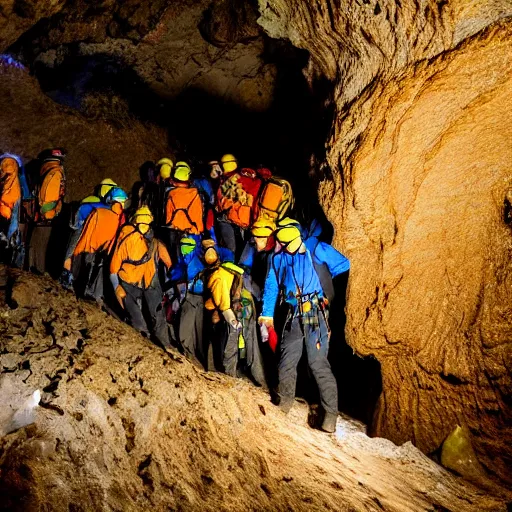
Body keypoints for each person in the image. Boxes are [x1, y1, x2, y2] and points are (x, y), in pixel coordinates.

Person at [259, 225, 338, 432]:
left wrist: (330, 293)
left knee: (317, 363)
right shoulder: (278, 259)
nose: (295, 249)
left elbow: (342, 265)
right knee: (287, 360)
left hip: (314, 314)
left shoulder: (312, 253)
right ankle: (284, 404)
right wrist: (267, 315)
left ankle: (330, 415)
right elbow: (271, 286)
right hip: (294, 315)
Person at [110, 206, 172, 350]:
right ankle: (163, 345)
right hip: (144, 281)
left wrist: (116, 286)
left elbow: (113, 268)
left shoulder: (125, 238)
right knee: (155, 315)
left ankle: (145, 340)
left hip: (133, 280)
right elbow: (169, 264)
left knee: (138, 316)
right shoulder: (153, 242)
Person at [169, 237, 233, 368]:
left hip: (202, 301)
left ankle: (199, 362)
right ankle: (190, 358)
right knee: (186, 331)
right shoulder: (193, 259)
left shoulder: (213, 263)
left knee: (199, 334)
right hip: (191, 297)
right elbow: (176, 273)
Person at [205, 250, 265, 385]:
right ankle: (259, 378)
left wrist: (232, 321)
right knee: (251, 344)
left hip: (237, 309)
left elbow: (225, 306)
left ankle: (230, 375)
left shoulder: (217, 278)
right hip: (248, 306)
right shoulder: (230, 268)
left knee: (231, 343)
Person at [62, 187, 128, 300]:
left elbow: (75, 226)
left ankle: (70, 281)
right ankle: (90, 291)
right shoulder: (118, 217)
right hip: (100, 247)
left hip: (89, 242)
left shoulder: (94, 209)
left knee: (75, 257)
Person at [214, 154, 264, 256]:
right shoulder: (255, 180)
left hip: (229, 219)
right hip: (247, 222)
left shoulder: (228, 181)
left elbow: (219, 205)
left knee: (230, 251)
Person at [28, 148, 66, 275]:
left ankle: (31, 267)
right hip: (46, 216)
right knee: (41, 244)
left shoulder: (45, 170)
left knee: (35, 242)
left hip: (39, 213)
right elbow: (48, 195)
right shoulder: (55, 173)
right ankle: (37, 270)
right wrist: (49, 213)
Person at [163, 161, 205, 262]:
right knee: (192, 261)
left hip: (174, 231)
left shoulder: (171, 194)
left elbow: (168, 216)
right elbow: (198, 215)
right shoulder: (195, 194)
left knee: (176, 261)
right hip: (192, 231)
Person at [302, 218, 350, 303]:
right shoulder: (319, 245)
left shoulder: (316, 250)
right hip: (343, 266)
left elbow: (323, 275)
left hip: (340, 271)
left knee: (337, 301)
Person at [0, 154, 23, 265]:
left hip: (6, 214)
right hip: (7, 213)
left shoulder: (10, 181)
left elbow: (7, 198)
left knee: (8, 237)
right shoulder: (14, 179)